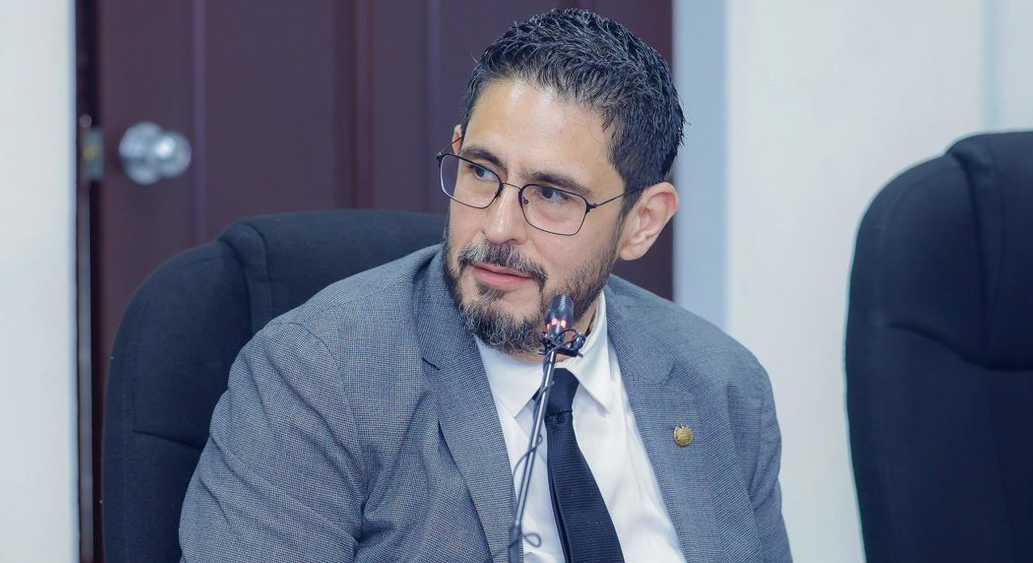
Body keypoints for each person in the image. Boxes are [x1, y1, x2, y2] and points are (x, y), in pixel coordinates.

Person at [179, 8, 791, 563]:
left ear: (642, 223)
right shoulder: (319, 374)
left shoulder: (720, 384)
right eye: (480, 172)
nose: (497, 228)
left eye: (551, 195)